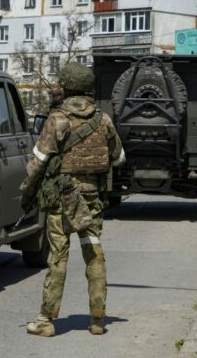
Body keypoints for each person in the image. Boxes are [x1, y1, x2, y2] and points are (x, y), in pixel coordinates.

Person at [20, 63, 125, 337]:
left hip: (62, 202)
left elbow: (37, 164)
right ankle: (98, 319)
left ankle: (45, 321)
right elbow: (119, 157)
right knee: (94, 254)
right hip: (92, 201)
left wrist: (27, 194)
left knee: (58, 257)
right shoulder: (103, 120)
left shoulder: (57, 120)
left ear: (65, 88)